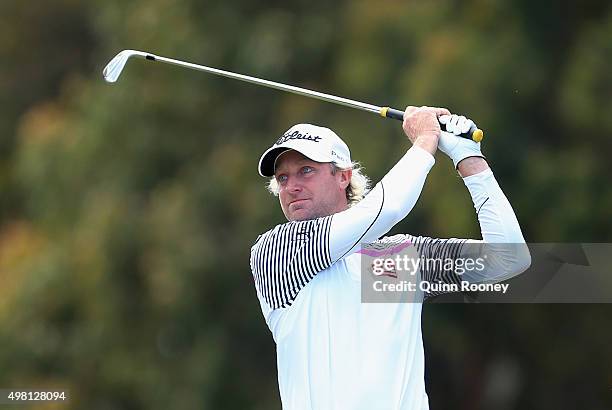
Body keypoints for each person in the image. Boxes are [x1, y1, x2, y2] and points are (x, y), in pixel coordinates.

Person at [249, 106, 531, 410]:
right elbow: (388, 208)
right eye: (282, 178)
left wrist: (468, 159)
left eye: (306, 170)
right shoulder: (278, 251)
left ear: (343, 176)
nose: (291, 187)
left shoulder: (397, 260)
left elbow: (508, 258)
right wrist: (425, 140)